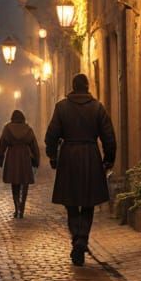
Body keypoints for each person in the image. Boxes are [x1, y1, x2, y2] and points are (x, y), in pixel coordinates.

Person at [45, 73, 116, 266]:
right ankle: (82, 237)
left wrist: (52, 155)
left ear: (73, 87)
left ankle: (77, 236)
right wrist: (109, 158)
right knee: (88, 202)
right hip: (90, 156)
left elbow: (51, 135)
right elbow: (108, 135)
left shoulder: (61, 107)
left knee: (71, 202)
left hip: (68, 156)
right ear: (86, 87)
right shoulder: (97, 107)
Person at [0, 109, 40, 218]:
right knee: (24, 184)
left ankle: (17, 208)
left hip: (12, 157)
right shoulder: (28, 129)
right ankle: (22, 209)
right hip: (25, 157)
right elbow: (34, 146)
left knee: (15, 184)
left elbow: (2, 144)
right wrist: (36, 160)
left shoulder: (7, 129)